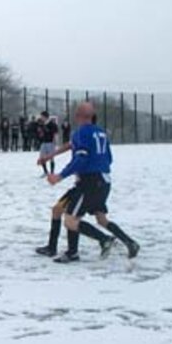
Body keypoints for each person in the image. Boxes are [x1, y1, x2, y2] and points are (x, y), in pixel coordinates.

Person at [44, 102, 139, 263]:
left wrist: (60, 176)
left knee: (71, 219)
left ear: (78, 116)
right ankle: (130, 242)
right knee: (100, 218)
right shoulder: (101, 132)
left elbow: (81, 157)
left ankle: (103, 240)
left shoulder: (81, 133)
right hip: (104, 180)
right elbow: (109, 158)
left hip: (89, 182)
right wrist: (50, 156)